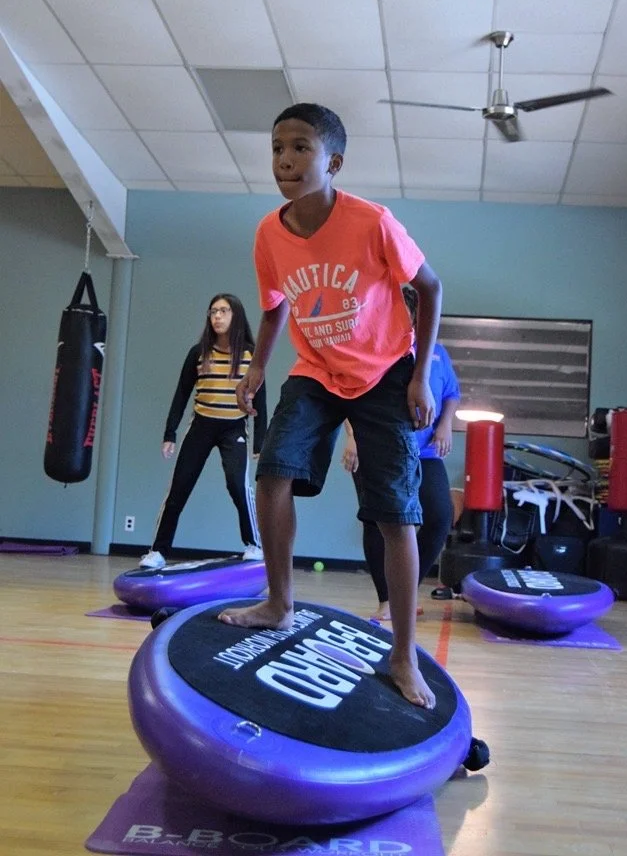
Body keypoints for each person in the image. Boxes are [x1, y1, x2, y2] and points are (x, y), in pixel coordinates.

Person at [218, 103, 443, 710]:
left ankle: (402, 654)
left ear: (334, 162)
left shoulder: (372, 221)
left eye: (300, 148)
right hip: (315, 370)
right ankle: (278, 603)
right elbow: (272, 308)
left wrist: (421, 378)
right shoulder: (269, 232)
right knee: (272, 474)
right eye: (277, 148)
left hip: (385, 370)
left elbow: (430, 287)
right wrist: (258, 367)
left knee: (396, 512)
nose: (285, 159)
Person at [342, 287, 461, 620]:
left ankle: (403, 593)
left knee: (438, 516)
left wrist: (446, 425)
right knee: (376, 519)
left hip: (424, 450)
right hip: (374, 445)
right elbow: (348, 395)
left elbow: (451, 393)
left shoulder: (435, 352)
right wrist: (352, 437)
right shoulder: (368, 349)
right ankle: (386, 601)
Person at [139, 293, 266, 569]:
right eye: (213, 312)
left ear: (236, 316)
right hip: (201, 426)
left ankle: (254, 544)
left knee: (238, 486)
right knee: (179, 488)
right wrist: (170, 433)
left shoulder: (250, 355)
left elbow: (261, 399)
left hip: (234, 429)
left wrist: (260, 443)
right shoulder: (198, 353)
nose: (217, 316)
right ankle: (157, 551)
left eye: (223, 311)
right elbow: (181, 394)